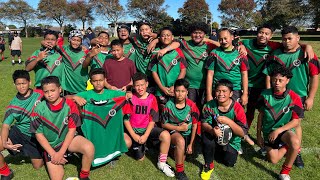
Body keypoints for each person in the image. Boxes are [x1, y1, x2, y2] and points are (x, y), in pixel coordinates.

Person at [263, 26, 320, 168]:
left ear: (298, 38)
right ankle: (276, 142)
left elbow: (314, 77)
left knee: (296, 123)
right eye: (284, 39)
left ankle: (297, 152)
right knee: (275, 119)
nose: (286, 41)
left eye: (290, 38)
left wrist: (311, 97)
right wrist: (268, 93)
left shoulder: (307, 54)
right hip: (277, 95)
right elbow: (268, 74)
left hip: (298, 96)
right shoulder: (275, 54)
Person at [30, 76, 94, 180]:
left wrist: (61, 153)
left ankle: (84, 175)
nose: (50, 94)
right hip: (51, 146)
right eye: (46, 92)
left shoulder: (70, 105)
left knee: (89, 147)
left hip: (69, 140)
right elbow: (39, 135)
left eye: (52, 90)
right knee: (57, 177)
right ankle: (56, 158)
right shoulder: (38, 109)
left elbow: (72, 130)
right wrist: (54, 154)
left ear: (60, 89)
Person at [70, 68, 131, 167]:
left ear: (105, 80)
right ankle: (89, 153)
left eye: (101, 80)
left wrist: (128, 94)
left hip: (111, 131)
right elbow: (65, 98)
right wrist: (75, 97)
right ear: (91, 82)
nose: (98, 83)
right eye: (95, 81)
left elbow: (127, 95)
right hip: (94, 132)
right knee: (91, 148)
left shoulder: (112, 93)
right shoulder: (87, 94)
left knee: (128, 142)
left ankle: (111, 156)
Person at [123, 72, 174, 177]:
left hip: (147, 130)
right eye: (137, 85)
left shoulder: (152, 98)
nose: (140, 88)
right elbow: (126, 120)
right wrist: (134, 136)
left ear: (147, 84)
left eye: (142, 85)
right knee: (140, 159)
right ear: (133, 86)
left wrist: (146, 135)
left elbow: (152, 120)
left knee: (166, 135)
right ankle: (141, 145)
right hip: (134, 131)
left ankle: (162, 163)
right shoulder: (130, 98)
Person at [257, 66, 304, 180]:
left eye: (280, 80)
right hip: (269, 132)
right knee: (273, 160)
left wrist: (279, 130)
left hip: (284, 131)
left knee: (295, 142)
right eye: (274, 80)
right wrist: (259, 135)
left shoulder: (294, 97)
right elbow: (260, 115)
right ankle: (287, 147)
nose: (276, 83)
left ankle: (284, 172)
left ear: (287, 80)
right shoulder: (264, 95)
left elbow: (296, 121)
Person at [0, 70, 44, 180]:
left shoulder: (40, 94)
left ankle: (38, 151)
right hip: (19, 132)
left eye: (23, 83)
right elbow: (5, 125)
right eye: (18, 84)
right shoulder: (13, 105)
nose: (21, 87)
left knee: (38, 166)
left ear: (29, 82)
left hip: (36, 136)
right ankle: (5, 172)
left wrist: (75, 97)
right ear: (14, 84)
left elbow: (58, 97)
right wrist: (5, 142)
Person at [200, 79, 248, 180]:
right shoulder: (209, 105)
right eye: (218, 91)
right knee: (206, 139)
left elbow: (242, 133)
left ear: (231, 93)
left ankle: (218, 150)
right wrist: (212, 130)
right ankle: (208, 165)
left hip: (231, 141)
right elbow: (203, 124)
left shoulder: (238, 108)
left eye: (224, 91)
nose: (221, 94)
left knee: (229, 162)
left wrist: (228, 121)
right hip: (213, 135)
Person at [161, 79, 199, 180]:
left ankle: (171, 150)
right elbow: (163, 124)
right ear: (174, 92)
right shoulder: (169, 105)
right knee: (180, 141)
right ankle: (180, 172)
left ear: (187, 92)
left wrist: (191, 144)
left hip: (187, 134)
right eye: (177, 91)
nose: (180, 94)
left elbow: (195, 125)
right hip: (174, 131)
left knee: (181, 157)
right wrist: (178, 128)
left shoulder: (192, 106)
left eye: (183, 91)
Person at [206, 28, 249, 106]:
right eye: (221, 39)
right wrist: (209, 94)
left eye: (226, 38)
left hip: (235, 89)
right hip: (218, 89)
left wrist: (245, 94)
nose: (223, 41)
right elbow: (210, 74)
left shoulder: (241, 54)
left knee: (236, 114)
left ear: (232, 37)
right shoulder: (214, 53)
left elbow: (244, 74)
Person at [149, 27, 187, 107]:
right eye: (163, 35)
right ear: (159, 38)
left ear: (172, 37)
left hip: (176, 89)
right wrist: (162, 87)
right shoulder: (156, 52)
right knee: (163, 112)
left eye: (168, 35)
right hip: (161, 90)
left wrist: (175, 86)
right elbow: (154, 72)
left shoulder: (178, 51)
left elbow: (183, 70)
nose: (165, 37)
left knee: (175, 110)